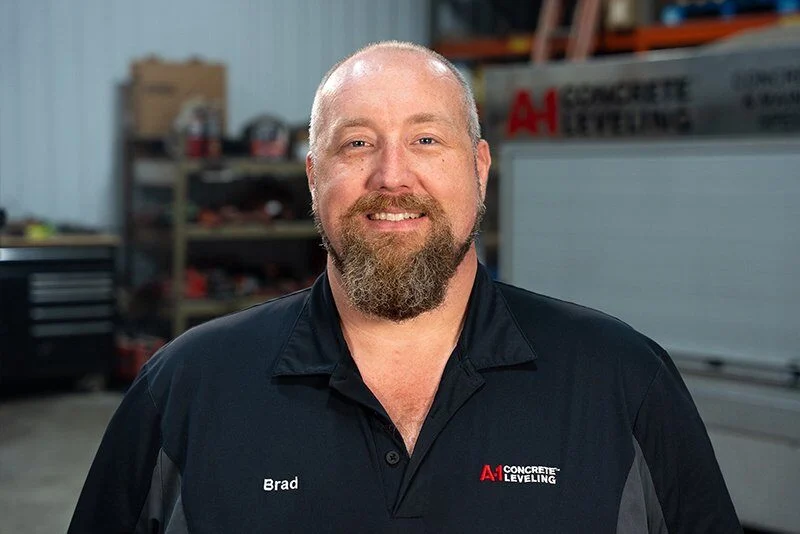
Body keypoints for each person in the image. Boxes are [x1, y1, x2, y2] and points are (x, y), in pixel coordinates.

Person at [69, 41, 741, 533]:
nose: (392, 178)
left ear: (480, 170)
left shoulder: (622, 382)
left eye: (425, 139)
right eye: (357, 144)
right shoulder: (183, 391)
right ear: (312, 179)